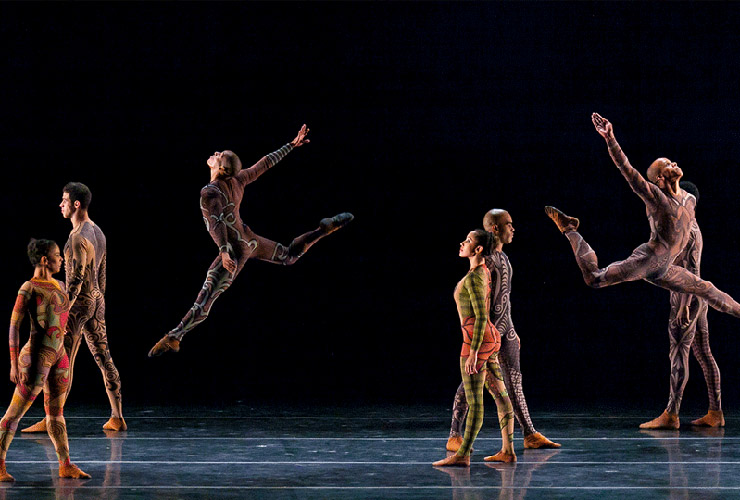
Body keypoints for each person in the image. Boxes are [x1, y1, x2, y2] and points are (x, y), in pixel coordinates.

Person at [148, 125, 353, 356]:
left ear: (222, 168)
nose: (215, 154)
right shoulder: (238, 179)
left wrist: (224, 252)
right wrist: (291, 145)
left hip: (235, 250)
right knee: (288, 256)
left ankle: (174, 337)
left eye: (218, 156)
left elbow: (216, 223)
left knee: (206, 298)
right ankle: (321, 231)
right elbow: (264, 164)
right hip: (249, 239)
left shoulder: (210, 192)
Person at [545, 113, 740, 317]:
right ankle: (570, 229)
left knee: (707, 288)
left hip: (666, 269)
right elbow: (628, 171)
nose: (673, 163)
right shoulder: (657, 198)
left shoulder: (690, 199)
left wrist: (685, 303)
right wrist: (610, 139)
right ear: (660, 177)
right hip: (647, 260)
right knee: (594, 278)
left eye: (672, 161)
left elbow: (687, 249)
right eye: (667, 164)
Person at [447, 210, 560, 452]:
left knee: (514, 382)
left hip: (505, 331)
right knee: (472, 382)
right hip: (489, 334)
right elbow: (482, 306)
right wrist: (481, 341)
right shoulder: (484, 263)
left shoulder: (504, 258)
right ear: (495, 229)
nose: (513, 228)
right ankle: (455, 434)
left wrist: (511, 329)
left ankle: (529, 433)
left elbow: (504, 298)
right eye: (509, 224)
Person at [23, 183, 125, 434]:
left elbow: (77, 278)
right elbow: (101, 276)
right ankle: (117, 416)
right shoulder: (98, 233)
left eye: (64, 200)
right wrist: (98, 301)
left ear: (76, 204)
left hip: (78, 305)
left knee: (62, 362)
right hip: (96, 300)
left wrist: (63, 308)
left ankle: (51, 420)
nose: (61, 205)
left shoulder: (77, 236)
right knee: (104, 356)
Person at [0, 239, 90, 481]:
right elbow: (14, 326)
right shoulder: (29, 288)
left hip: (58, 357)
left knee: (56, 414)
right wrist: (12, 364)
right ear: (44, 260)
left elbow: (60, 316)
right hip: (36, 359)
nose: (61, 259)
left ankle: (65, 464)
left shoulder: (60, 285)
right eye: (57, 255)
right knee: (14, 414)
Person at [640, 182, 724, 429]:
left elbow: (693, 269)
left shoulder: (687, 230)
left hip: (687, 296)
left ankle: (671, 414)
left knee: (679, 351)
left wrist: (684, 306)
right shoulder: (690, 227)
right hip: (698, 296)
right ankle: (716, 412)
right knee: (703, 352)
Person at [433, 230, 515, 467]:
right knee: (500, 395)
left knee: (475, 401)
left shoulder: (474, 278)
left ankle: (463, 454)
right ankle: (508, 451)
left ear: (478, 249)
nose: (462, 243)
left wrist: (473, 352)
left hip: (477, 340)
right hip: (488, 339)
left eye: (468, 241)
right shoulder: (481, 273)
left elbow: (481, 317)